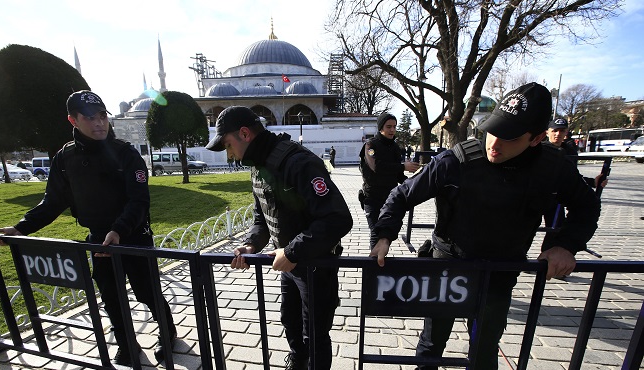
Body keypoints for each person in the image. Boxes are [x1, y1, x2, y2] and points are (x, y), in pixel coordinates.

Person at [369, 82, 601, 370]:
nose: (494, 143)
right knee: (431, 346)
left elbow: (587, 205)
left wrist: (564, 246)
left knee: (484, 350)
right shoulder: (456, 161)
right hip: (447, 270)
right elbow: (402, 194)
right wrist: (384, 235)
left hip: (500, 273)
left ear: (537, 138)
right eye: (492, 130)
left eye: (509, 136)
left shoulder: (553, 167)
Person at [0, 91, 176, 366]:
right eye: (90, 118)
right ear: (73, 120)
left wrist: (118, 231)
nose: (99, 123)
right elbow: (52, 202)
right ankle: (127, 342)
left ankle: (167, 333)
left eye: (102, 115)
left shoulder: (126, 153)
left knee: (147, 291)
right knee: (111, 296)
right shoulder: (65, 158)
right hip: (97, 241)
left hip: (133, 236)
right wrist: (21, 228)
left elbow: (139, 201)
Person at [205, 106, 353, 370]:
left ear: (244, 133)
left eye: (228, 145)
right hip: (289, 263)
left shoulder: (298, 163)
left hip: (315, 266)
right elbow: (262, 217)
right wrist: (251, 244)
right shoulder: (257, 165)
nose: (229, 154)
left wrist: (293, 251)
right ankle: (298, 361)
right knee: (291, 320)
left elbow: (338, 218)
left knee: (315, 333)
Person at [359, 113, 420, 249]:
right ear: (381, 128)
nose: (392, 130)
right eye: (388, 127)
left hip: (390, 199)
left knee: (385, 236)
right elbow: (376, 167)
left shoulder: (395, 147)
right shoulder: (370, 146)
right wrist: (403, 166)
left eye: (394, 127)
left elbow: (398, 175)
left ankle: (379, 266)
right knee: (376, 234)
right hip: (372, 198)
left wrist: (415, 181)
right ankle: (373, 267)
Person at [544, 118, 607, 230]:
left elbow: (572, 177)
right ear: (547, 132)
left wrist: (593, 182)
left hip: (557, 199)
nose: (558, 134)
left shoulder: (569, 152)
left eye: (562, 131)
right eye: (554, 130)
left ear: (566, 133)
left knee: (555, 230)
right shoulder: (539, 149)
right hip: (536, 195)